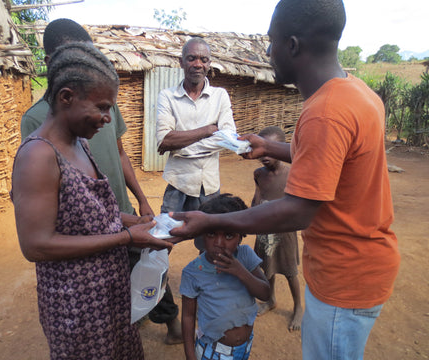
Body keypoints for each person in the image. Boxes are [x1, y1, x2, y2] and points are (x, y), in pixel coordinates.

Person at [170, 1, 400, 359]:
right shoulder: (356, 92)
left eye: (271, 42)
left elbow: (297, 212)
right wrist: (270, 148)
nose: (267, 52)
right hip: (363, 264)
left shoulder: (325, 112)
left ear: (292, 45)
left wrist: (212, 221)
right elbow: (331, 158)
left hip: (345, 275)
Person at [21, 18, 183, 345]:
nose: (109, 119)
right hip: (77, 301)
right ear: (66, 97)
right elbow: (36, 245)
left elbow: (94, 211)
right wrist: (124, 237)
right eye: (102, 108)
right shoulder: (38, 154)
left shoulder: (79, 142)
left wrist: (138, 221)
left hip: (105, 288)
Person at [156, 37, 237, 252]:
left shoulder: (220, 96)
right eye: (191, 58)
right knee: (163, 238)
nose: (197, 64)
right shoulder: (167, 96)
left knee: (210, 244)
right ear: (181, 62)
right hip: (177, 182)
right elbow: (164, 140)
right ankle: (160, 284)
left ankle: (208, 284)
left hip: (209, 184)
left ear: (209, 64)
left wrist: (180, 146)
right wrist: (207, 130)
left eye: (203, 59)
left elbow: (228, 138)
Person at [179, 194, 271, 360]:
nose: (219, 243)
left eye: (229, 236)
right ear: (201, 234)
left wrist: (240, 271)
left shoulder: (245, 256)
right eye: (211, 234)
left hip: (245, 346)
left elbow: (265, 293)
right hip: (212, 349)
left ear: (241, 235)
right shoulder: (192, 272)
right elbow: (188, 316)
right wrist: (190, 355)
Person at [251, 126, 303, 332]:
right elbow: (256, 199)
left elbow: (297, 205)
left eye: (270, 150)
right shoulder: (259, 174)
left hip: (285, 230)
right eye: (261, 151)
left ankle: (298, 306)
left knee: (290, 271)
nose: (265, 156)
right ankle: (270, 299)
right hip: (264, 228)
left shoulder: (292, 173)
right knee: (267, 267)